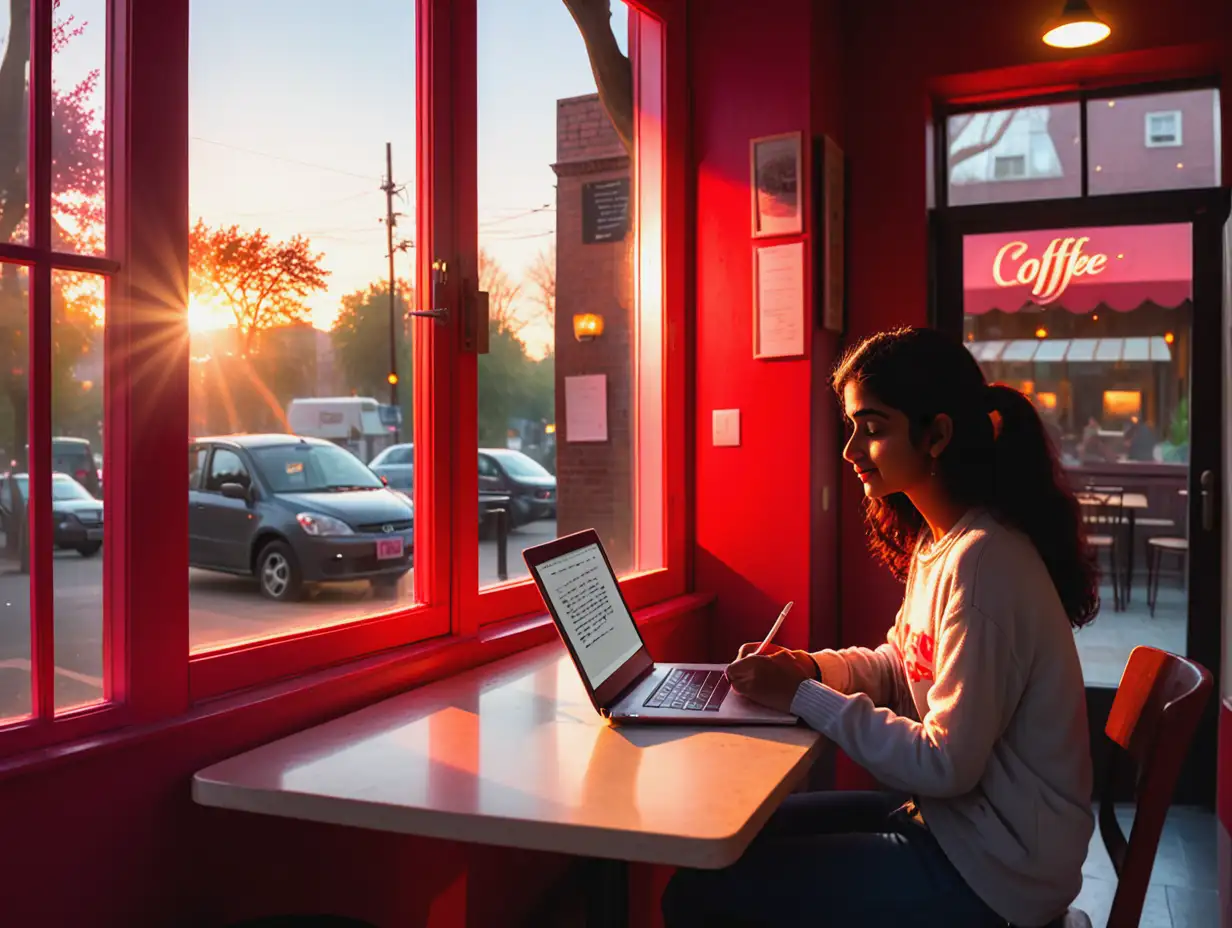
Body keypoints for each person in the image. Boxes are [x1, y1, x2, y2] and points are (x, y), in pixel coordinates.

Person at [662, 327, 1097, 928]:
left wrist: (802, 697)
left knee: (699, 895)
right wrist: (812, 669)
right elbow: (901, 662)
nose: (850, 450)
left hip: (998, 873)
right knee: (730, 843)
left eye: (872, 428)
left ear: (937, 435)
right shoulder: (942, 542)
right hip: (963, 828)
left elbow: (946, 765)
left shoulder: (985, 563)